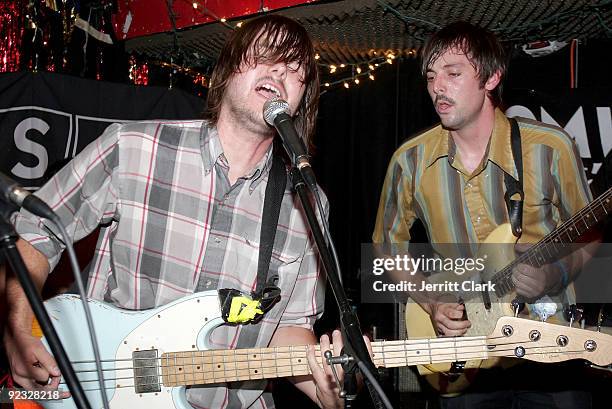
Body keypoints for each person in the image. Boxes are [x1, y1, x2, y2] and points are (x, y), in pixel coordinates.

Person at [3, 15, 346, 409]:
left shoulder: (306, 202)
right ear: (228, 67)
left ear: (302, 99)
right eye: (264, 55)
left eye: (295, 70)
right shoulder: (134, 148)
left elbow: (290, 327)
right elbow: (37, 227)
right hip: (110, 394)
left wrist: (322, 385)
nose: (278, 70)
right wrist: (17, 328)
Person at [373, 21, 596, 408]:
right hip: (466, 351)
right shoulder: (409, 161)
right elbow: (386, 246)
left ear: (492, 77)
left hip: (551, 345)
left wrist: (552, 273)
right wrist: (431, 303)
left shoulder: (550, 147)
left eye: (453, 73)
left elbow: (592, 234)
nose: (437, 86)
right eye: (430, 76)